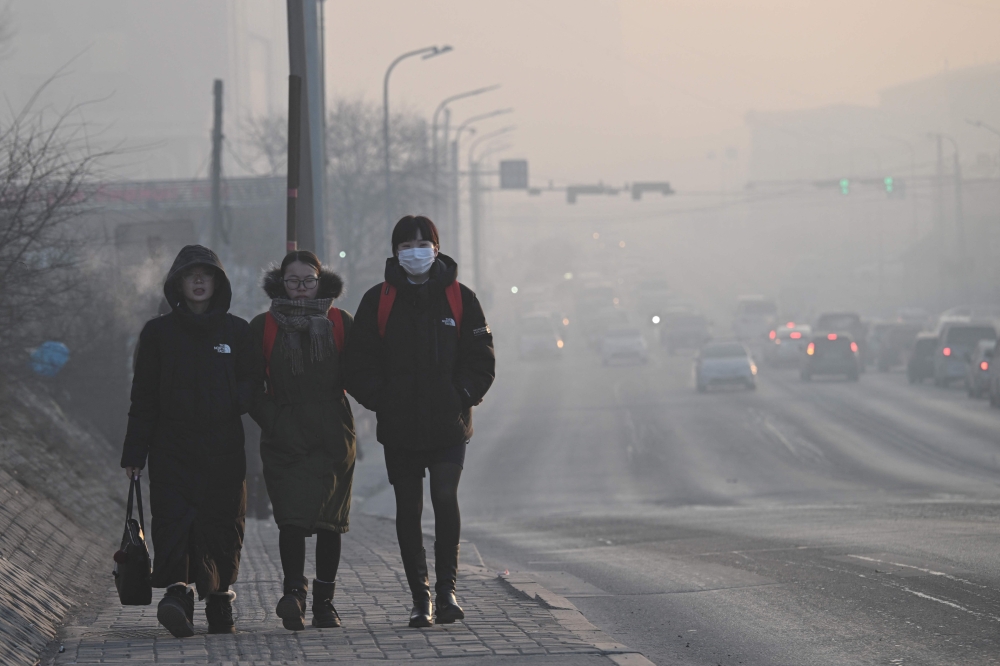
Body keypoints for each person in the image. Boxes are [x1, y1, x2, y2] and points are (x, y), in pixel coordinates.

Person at [346, 215, 495, 627]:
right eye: (407, 244)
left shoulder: (460, 298)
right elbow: (358, 362)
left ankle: (447, 590)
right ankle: (420, 597)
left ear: (436, 246)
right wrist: (382, 400)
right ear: (395, 251)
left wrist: (460, 396)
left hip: (448, 423)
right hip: (400, 426)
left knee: (445, 497)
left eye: (422, 242)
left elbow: (481, 359)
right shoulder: (378, 300)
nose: (415, 250)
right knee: (408, 508)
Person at [121, 245, 252, 637]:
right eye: (190, 275)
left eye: (206, 274)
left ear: (218, 282)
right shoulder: (158, 334)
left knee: (222, 524)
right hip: (171, 448)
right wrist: (135, 451)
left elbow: (253, 388)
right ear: (178, 283)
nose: (198, 281)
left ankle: (219, 599)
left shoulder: (237, 331)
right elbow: (142, 396)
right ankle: (177, 596)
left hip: (224, 449)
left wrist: (236, 400)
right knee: (173, 520)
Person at [249, 250, 355, 630]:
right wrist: (274, 419)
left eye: (308, 280)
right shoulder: (263, 326)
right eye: (292, 281)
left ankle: (325, 603)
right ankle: (294, 593)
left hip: (332, 431)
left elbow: (360, 372)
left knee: (331, 521)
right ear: (280, 284)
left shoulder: (340, 321)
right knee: (291, 519)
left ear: (320, 281)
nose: (300, 289)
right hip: (286, 434)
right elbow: (250, 384)